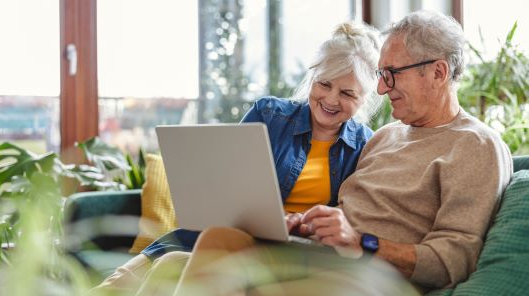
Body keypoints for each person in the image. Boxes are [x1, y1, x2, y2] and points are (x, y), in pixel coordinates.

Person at [161, 10, 513, 296]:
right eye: (380, 74)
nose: (379, 88)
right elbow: (346, 213)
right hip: (321, 256)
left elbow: (454, 259)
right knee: (185, 256)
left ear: (438, 72)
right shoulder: (384, 137)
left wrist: (362, 243)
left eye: (391, 74)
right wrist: (309, 224)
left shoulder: (476, 145)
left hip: (373, 277)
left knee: (216, 259)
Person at [92, 20, 383, 295]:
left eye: (347, 93)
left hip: (287, 250)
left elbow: (350, 222)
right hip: (218, 234)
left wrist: (304, 225)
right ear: (312, 79)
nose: (331, 99)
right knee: (116, 285)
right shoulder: (270, 115)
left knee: (168, 268)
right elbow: (224, 187)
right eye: (324, 84)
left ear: (365, 98)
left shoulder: (365, 146)